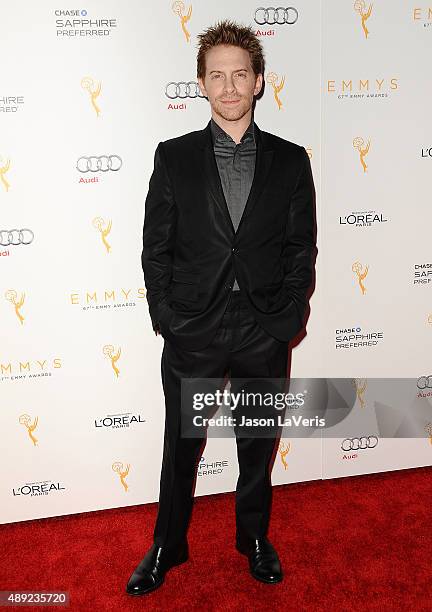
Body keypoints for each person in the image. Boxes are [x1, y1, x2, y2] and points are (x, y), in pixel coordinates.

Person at [126, 19, 317, 596]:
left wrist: (287, 315)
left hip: (263, 328)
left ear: (259, 81)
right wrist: (168, 316)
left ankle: (254, 538)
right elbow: (154, 247)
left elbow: (300, 248)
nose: (229, 86)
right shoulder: (174, 157)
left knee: (257, 444)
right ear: (202, 86)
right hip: (195, 329)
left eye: (240, 74)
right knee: (181, 447)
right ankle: (166, 543)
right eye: (218, 76)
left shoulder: (290, 160)